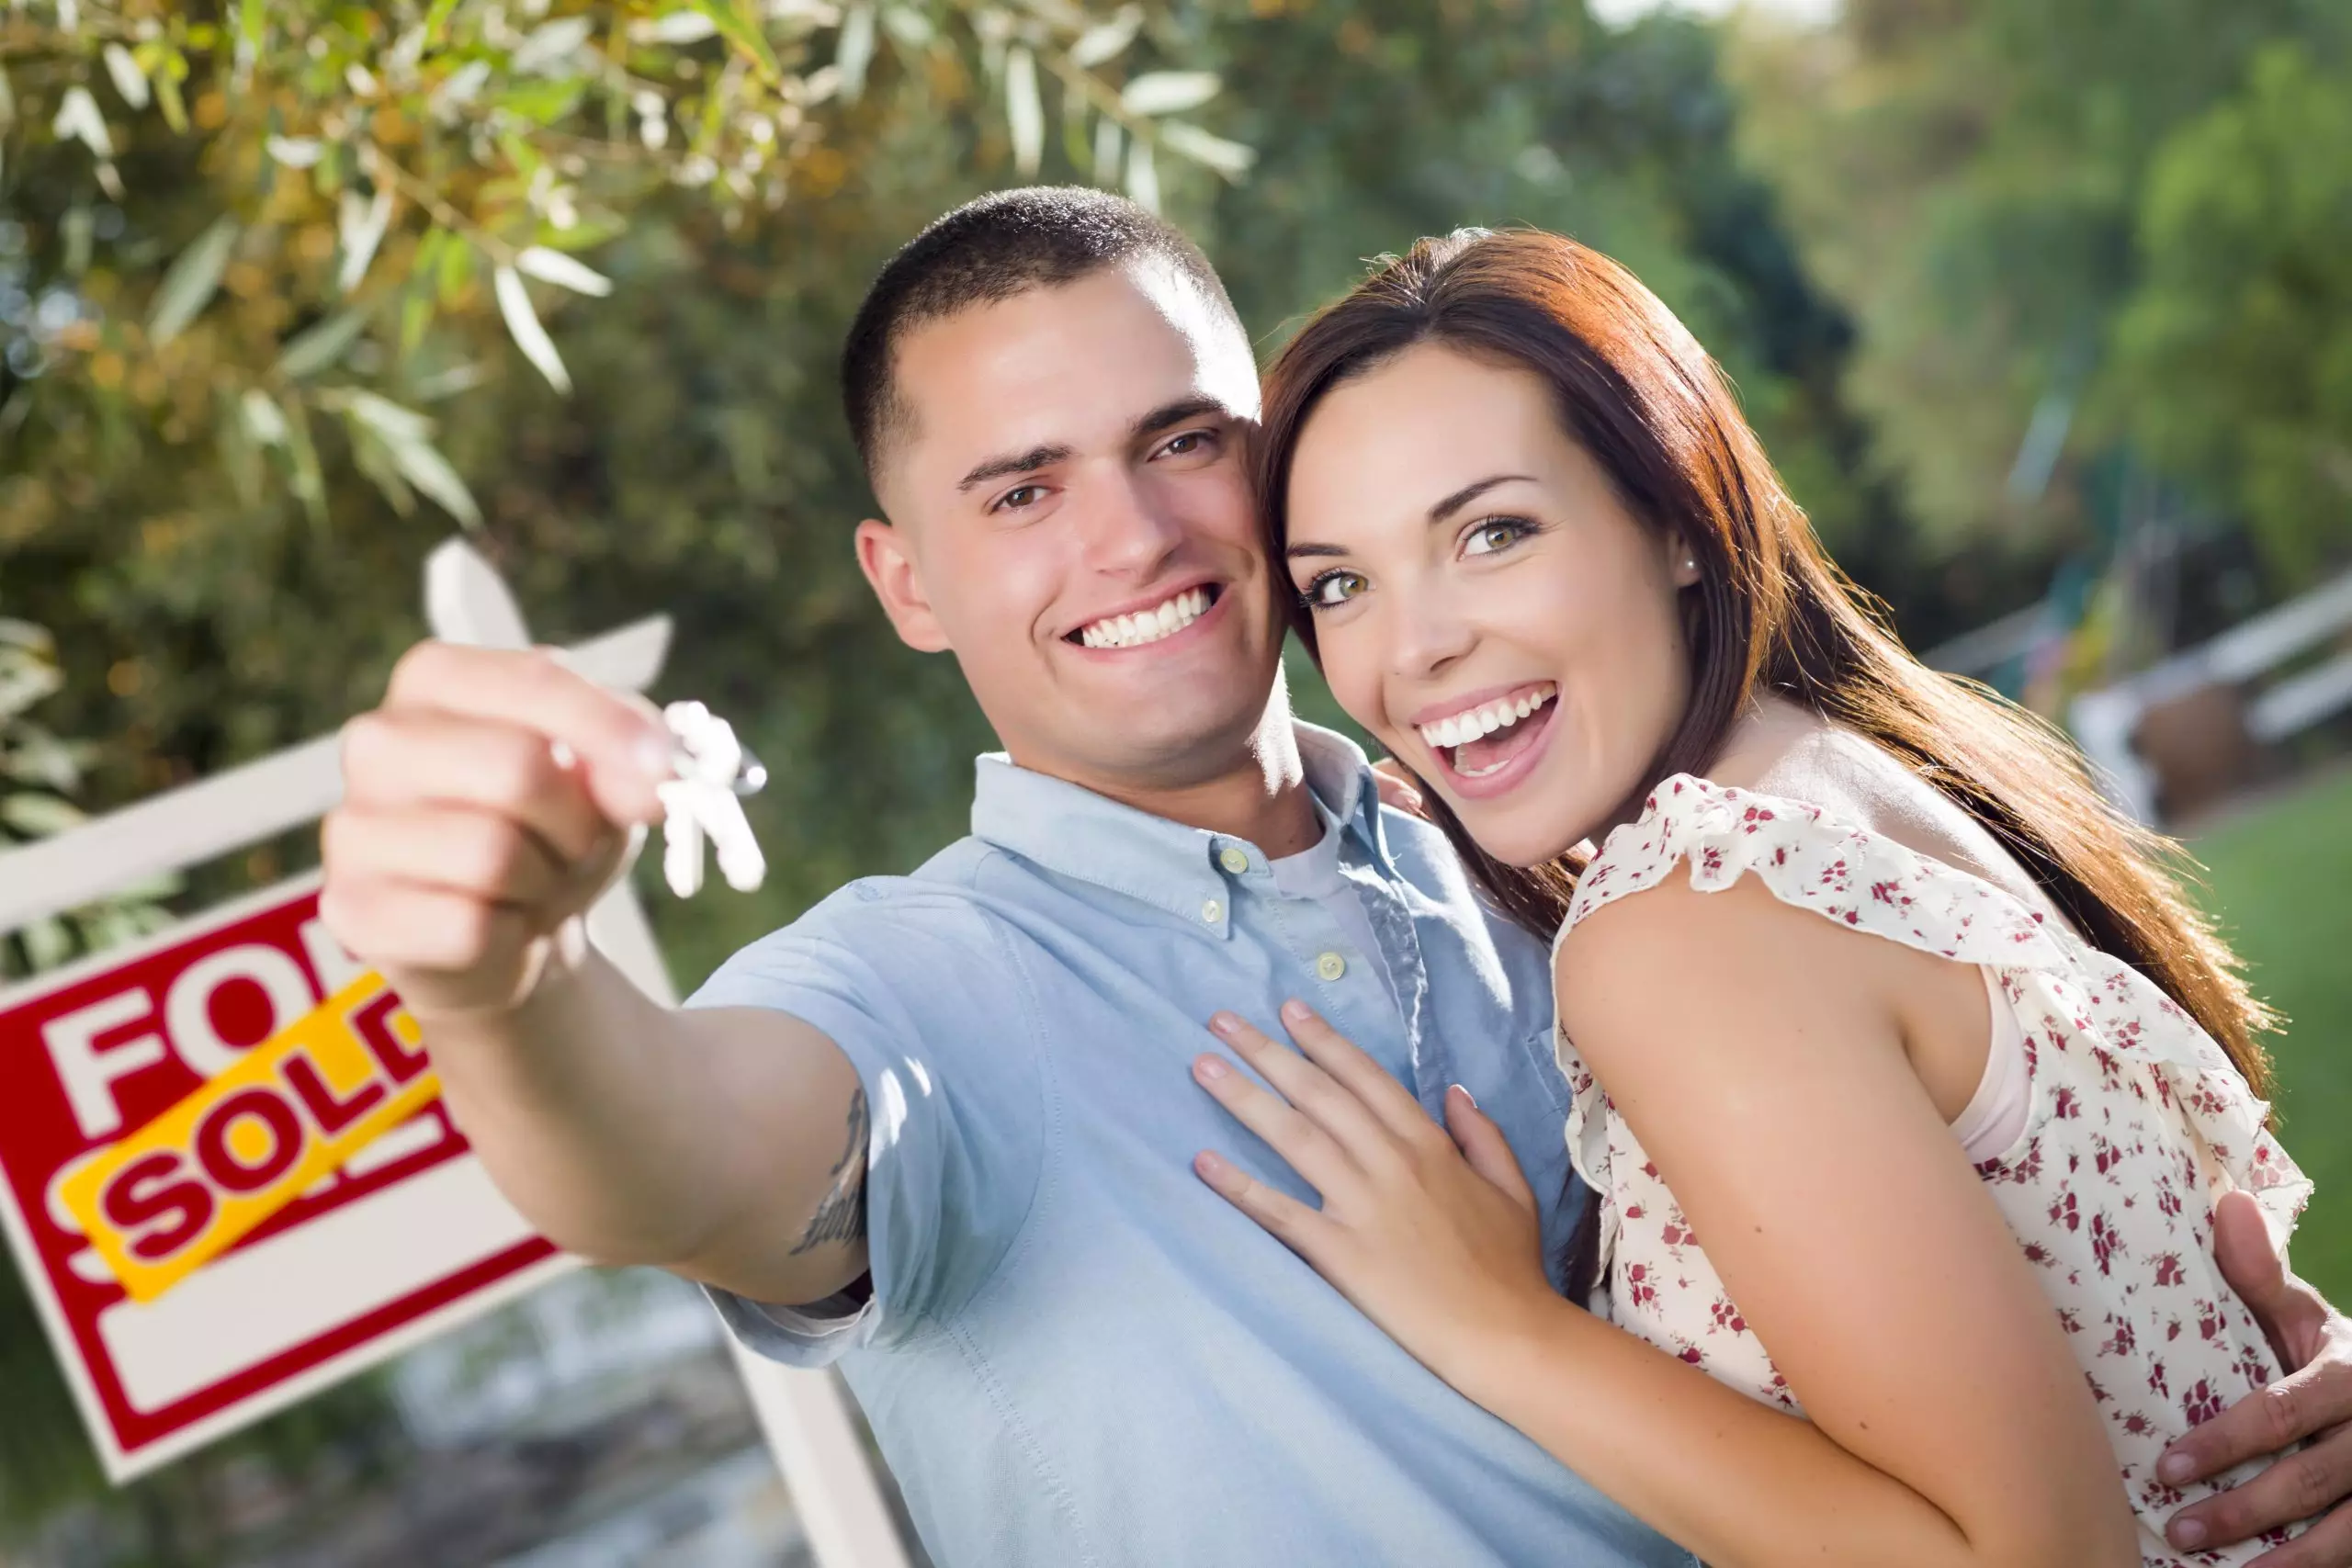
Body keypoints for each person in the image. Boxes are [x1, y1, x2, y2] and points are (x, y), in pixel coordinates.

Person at [319, 188, 2352, 1568]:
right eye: (1019, 491)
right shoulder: (912, 987)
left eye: (1179, 440)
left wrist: (2227, 1375)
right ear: (907, 581)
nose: (1125, 536)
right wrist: (507, 989)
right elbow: (668, 1151)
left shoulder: (1539, 841)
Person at [1190, 225, 2344, 1567]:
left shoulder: (1689, 918)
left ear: (1676, 518)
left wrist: (1498, 1325)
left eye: (1493, 532)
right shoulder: (1855, 776)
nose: (1415, 648)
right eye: (1342, 584)